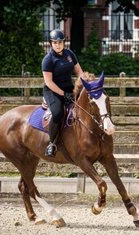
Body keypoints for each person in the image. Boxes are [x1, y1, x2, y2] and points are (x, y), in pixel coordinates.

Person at [42, 29, 84, 157]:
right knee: (58, 112)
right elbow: (49, 82)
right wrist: (63, 94)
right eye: (55, 42)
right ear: (51, 44)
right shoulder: (48, 60)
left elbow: (79, 72)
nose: (58, 45)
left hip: (69, 88)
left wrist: (85, 83)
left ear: (63, 43)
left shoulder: (69, 54)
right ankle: (52, 143)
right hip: (52, 91)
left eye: (60, 42)